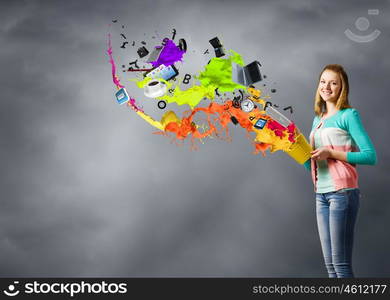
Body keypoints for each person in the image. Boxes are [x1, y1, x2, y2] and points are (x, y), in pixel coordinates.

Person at [303, 64, 377, 278]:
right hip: (321, 195)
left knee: (341, 266)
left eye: (333, 82)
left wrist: (331, 153)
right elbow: (314, 163)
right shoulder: (318, 119)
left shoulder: (349, 115)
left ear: (342, 88)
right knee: (331, 268)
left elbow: (370, 156)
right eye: (323, 81)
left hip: (342, 194)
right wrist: (291, 149)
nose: (327, 86)